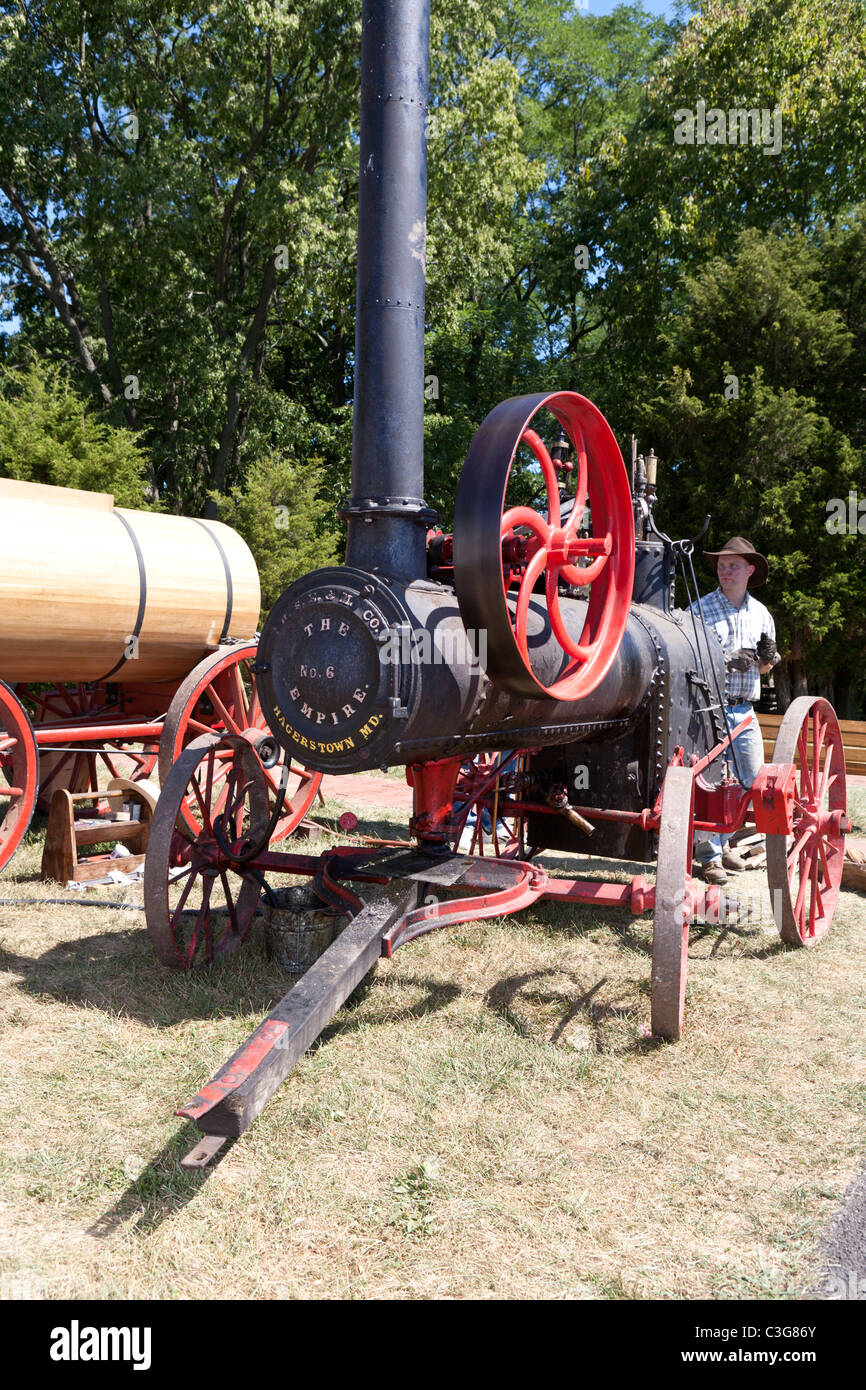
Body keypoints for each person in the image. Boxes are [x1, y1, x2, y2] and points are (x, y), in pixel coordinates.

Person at [689, 537, 780, 887]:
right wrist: (724, 660)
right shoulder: (699, 610)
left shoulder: (761, 614)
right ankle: (710, 858)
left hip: (744, 711)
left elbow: (763, 669)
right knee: (710, 784)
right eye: (722, 565)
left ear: (750, 570)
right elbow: (690, 659)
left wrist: (767, 660)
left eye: (734, 566)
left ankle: (724, 841)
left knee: (751, 779)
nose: (726, 571)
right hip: (709, 709)